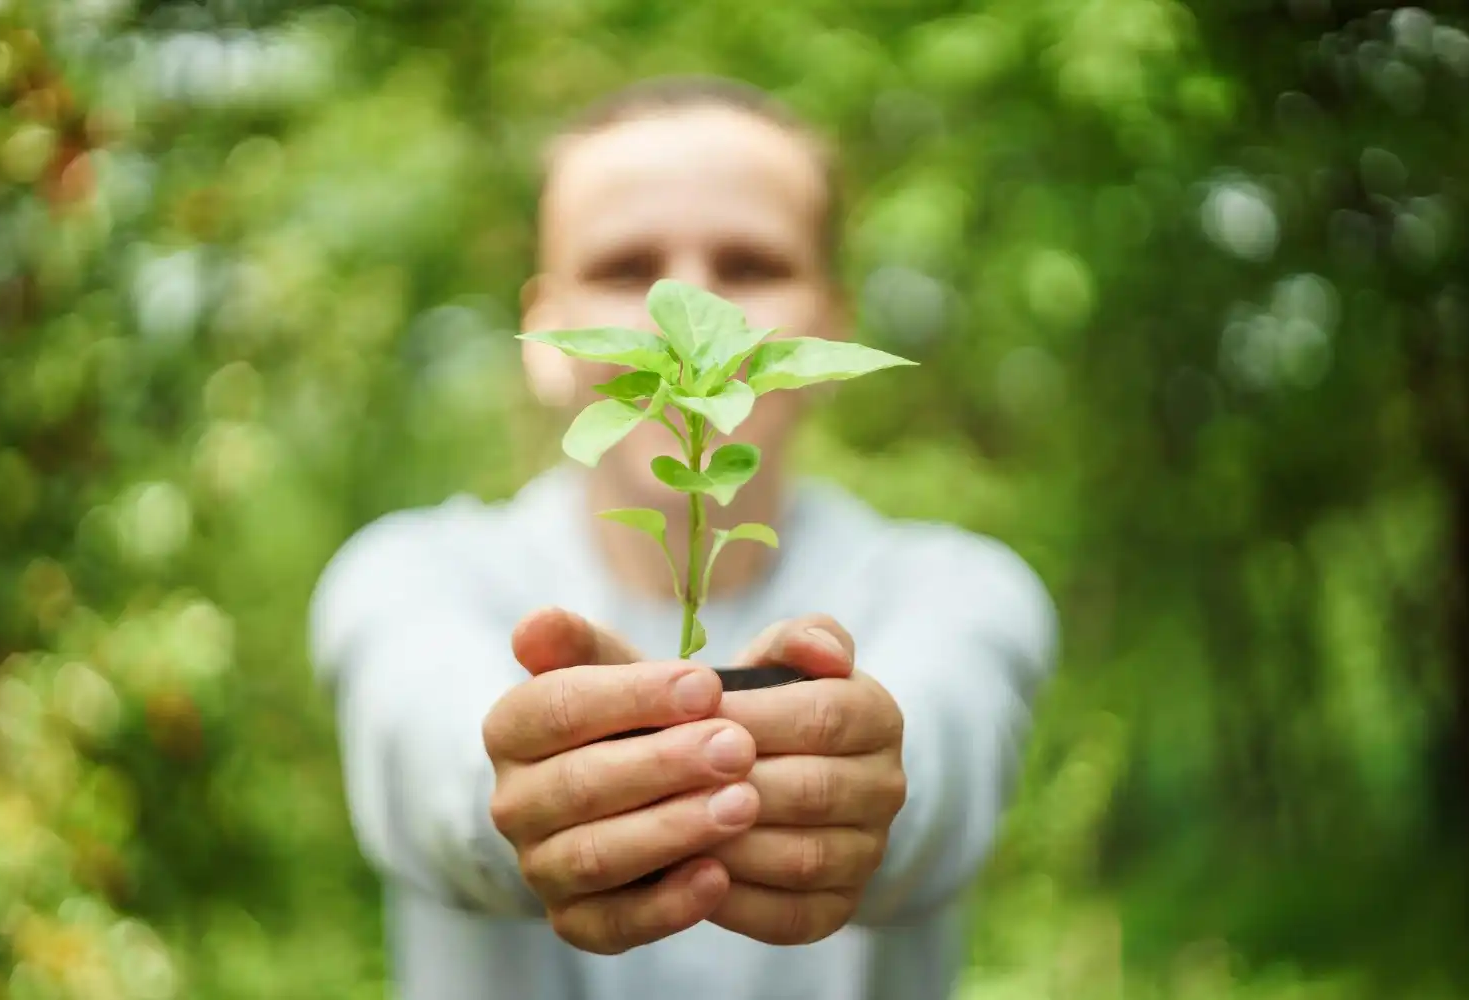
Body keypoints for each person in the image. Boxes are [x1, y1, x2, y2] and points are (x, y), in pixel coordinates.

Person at [308, 75, 1058, 1000]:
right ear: (543, 337)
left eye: (750, 266)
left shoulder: (953, 586)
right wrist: (528, 798)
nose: (693, 312)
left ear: (832, 323)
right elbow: (430, 748)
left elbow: (940, 756)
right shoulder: (412, 575)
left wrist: (866, 794)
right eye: (627, 269)